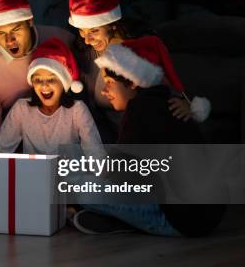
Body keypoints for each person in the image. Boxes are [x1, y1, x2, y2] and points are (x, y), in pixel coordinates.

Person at [73, 37, 225, 237]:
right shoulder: (166, 104)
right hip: (209, 216)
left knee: (80, 188)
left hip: (181, 221)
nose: (104, 90)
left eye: (110, 82)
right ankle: (124, 219)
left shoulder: (140, 111)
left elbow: (118, 175)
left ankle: (127, 220)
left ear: (133, 82)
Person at [67, 0, 210, 142]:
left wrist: (187, 104)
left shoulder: (139, 52)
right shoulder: (85, 50)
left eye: (94, 31)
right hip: (102, 137)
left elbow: (169, 86)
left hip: (141, 137)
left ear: (112, 24)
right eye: (82, 31)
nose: (87, 39)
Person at [0, 0, 75, 155]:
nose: (9, 40)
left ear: (30, 21)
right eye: (0, 33)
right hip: (19, 146)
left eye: (15, 29)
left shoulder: (62, 41)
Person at [0, 37, 105, 158]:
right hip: (34, 175)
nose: (44, 85)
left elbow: (95, 152)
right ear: (32, 83)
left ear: (63, 82)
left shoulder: (77, 109)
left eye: (51, 79)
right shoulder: (21, 108)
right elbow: (1, 151)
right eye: (38, 80)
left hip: (69, 176)